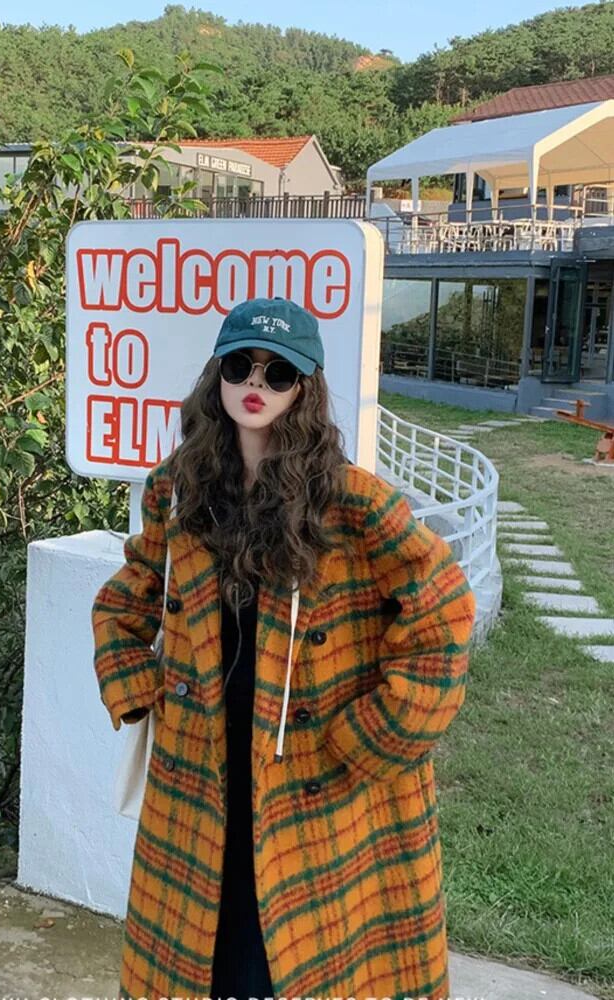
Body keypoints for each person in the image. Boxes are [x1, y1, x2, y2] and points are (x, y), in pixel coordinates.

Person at [92, 296, 478, 1000]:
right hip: (201, 768)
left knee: (295, 961)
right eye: (240, 365)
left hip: (318, 774)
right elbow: (126, 597)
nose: (255, 385)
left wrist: (376, 733)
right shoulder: (177, 491)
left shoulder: (354, 503)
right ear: (216, 374)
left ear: (305, 389)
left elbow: (443, 611)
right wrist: (136, 688)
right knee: (205, 956)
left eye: (278, 374)